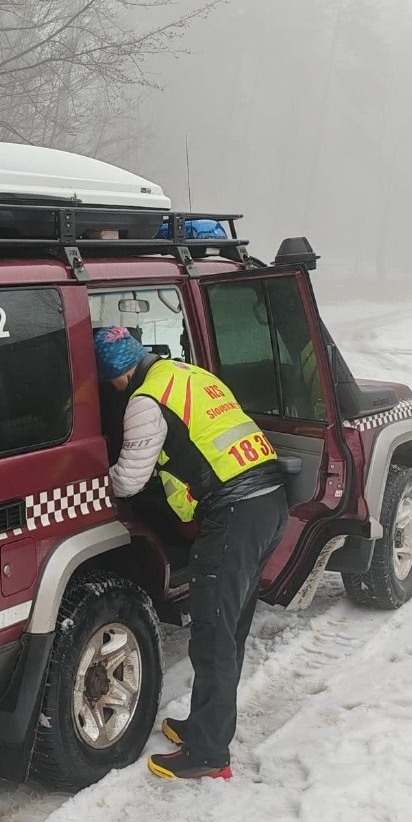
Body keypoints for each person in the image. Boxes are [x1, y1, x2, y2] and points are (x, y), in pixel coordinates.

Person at [93, 326, 288, 780]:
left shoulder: (144, 402)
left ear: (117, 377)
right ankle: (206, 726)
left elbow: (129, 480)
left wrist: (89, 484)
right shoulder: (186, 373)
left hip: (235, 514)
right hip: (268, 502)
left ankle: (208, 755)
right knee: (229, 628)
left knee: (213, 635)